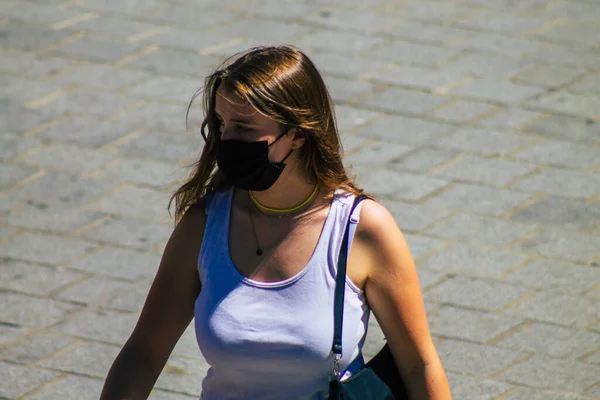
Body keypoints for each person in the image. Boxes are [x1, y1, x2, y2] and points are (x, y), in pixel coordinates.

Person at [100, 45, 452, 400]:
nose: (226, 140)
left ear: (298, 134)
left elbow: (418, 365)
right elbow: (143, 353)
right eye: (221, 124)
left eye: (244, 127)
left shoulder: (360, 229)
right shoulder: (205, 224)